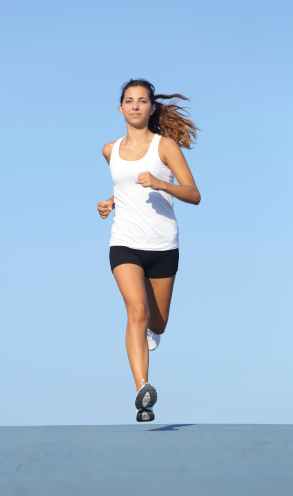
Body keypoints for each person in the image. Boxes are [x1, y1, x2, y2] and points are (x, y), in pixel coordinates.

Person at [97, 79, 201, 422]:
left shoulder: (165, 147)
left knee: (158, 321)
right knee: (136, 311)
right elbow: (123, 184)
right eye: (129, 101)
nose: (136, 106)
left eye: (143, 101)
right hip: (124, 241)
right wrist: (111, 202)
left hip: (163, 245)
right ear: (121, 108)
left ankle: (152, 332)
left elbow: (193, 194)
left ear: (152, 108)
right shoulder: (110, 150)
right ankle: (143, 389)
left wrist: (160, 183)